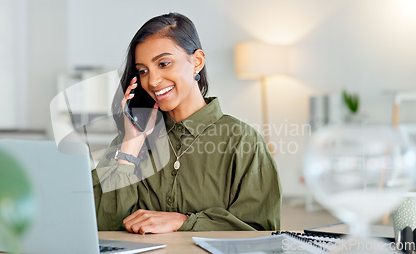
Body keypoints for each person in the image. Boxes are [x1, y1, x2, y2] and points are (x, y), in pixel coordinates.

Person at [92, 12, 281, 234]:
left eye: (163, 63)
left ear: (197, 61)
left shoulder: (243, 142)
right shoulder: (130, 141)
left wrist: (183, 222)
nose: (152, 81)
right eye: (143, 71)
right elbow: (101, 226)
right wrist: (130, 148)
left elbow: (260, 229)